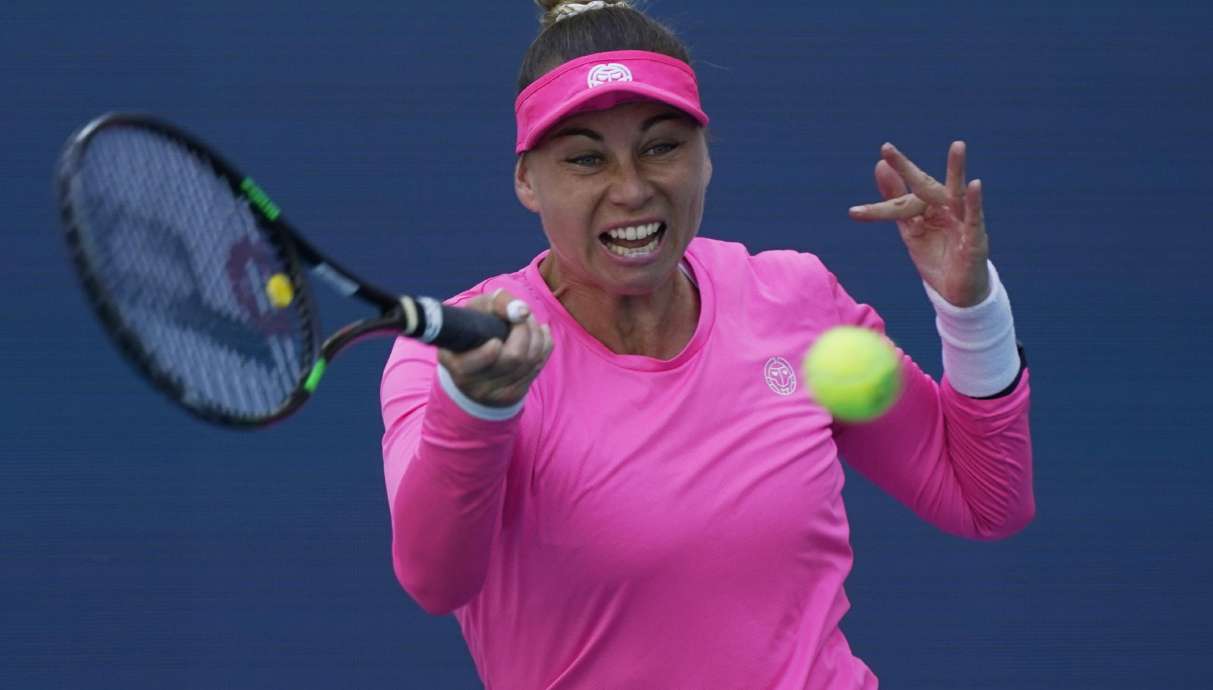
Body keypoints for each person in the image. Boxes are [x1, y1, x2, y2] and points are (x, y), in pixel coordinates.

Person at [379, 1, 1034, 687]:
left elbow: (985, 501)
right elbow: (435, 580)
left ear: (706, 158)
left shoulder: (797, 299)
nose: (631, 189)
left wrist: (970, 307)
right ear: (526, 180)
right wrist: (477, 407)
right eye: (585, 159)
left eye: (662, 146)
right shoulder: (455, 356)